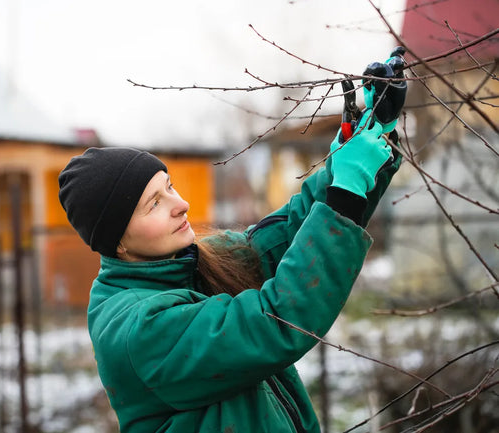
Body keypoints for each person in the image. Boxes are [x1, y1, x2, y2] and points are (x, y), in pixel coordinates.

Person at [57, 59, 404, 432]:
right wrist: (347, 189)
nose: (181, 204)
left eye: (169, 186)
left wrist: (362, 140)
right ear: (118, 243)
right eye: (154, 204)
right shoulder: (140, 329)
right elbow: (276, 322)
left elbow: (288, 232)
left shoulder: (191, 264)